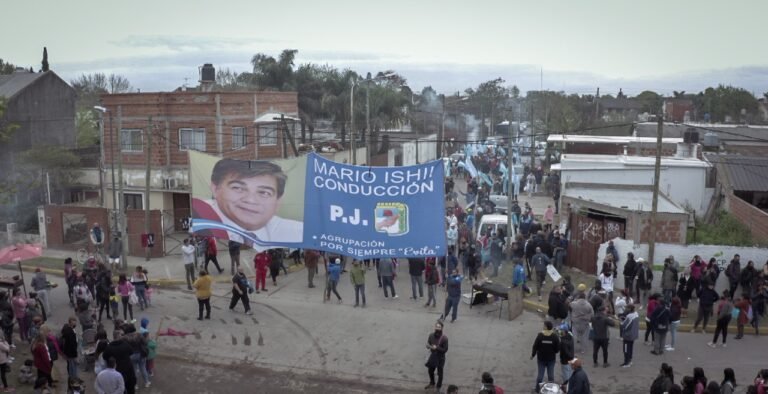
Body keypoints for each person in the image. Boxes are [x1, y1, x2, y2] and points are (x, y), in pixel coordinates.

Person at [191, 158, 303, 244]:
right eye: (238, 188)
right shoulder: (201, 220)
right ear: (215, 189)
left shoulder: (297, 233)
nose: (250, 200)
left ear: (278, 201)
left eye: (264, 193)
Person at [531, 321, 560, 392]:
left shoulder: (540, 335)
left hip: (541, 360)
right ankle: (552, 391)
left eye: (544, 325)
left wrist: (533, 355)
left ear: (546, 327)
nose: (543, 326)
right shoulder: (554, 336)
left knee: (540, 377)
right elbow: (557, 349)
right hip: (551, 359)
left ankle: (537, 390)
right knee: (551, 376)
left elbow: (535, 346)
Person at [425, 322, 448, 391]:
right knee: (430, 371)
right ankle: (432, 383)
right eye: (436, 327)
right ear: (434, 327)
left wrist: (437, 348)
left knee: (440, 373)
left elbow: (445, 350)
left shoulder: (444, 338)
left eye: (439, 327)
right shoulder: (431, 335)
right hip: (433, 357)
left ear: (441, 328)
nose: (437, 328)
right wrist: (428, 346)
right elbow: (428, 343)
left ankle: (438, 387)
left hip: (440, 358)